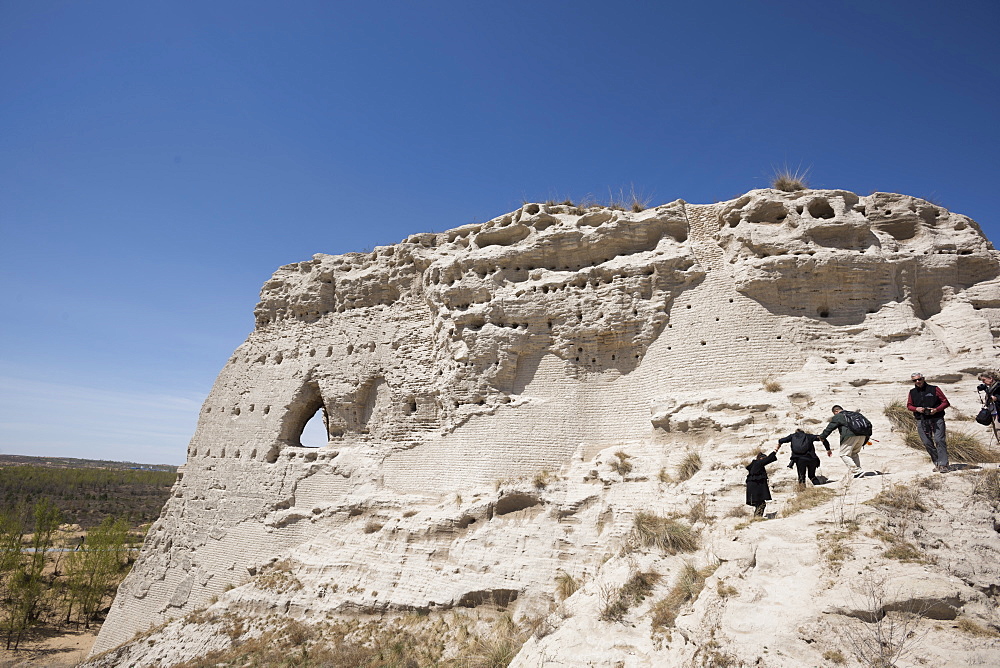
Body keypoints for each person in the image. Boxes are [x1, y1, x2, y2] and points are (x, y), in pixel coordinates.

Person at [906, 372, 950, 472]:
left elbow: (945, 402)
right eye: (915, 380)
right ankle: (937, 463)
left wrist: (936, 409)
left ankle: (944, 464)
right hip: (921, 420)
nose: (917, 382)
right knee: (926, 442)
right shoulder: (912, 392)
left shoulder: (934, 389)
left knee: (939, 440)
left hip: (937, 418)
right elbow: (909, 405)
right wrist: (917, 409)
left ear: (923, 379)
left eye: (919, 379)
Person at [819, 405, 865, 479]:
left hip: (850, 435)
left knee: (843, 454)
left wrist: (823, 436)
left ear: (836, 411)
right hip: (863, 435)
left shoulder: (839, 416)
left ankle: (857, 471)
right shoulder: (855, 414)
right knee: (854, 453)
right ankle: (859, 471)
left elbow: (830, 427)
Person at [745, 445, 781, 516]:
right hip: (756, 488)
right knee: (761, 504)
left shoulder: (754, 465)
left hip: (752, 488)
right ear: (761, 458)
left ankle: (756, 518)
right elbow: (769, 459)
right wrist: (775, 450)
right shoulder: (758, 463)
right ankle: (757, 518)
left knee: (759, 504)